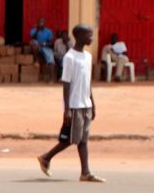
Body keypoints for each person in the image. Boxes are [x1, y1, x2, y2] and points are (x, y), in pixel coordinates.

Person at [37, 25, 104, 183]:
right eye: (89, 35)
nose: (92, 38)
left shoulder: (87, 56)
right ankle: (46, 157)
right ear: (79, 36)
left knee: (82, 140)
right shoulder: (70, 57)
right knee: (72, 139)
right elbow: (66, 83)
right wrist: (66, 109)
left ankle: (85, 173)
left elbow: (88, 82)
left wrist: (93, 103)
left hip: (85, 104)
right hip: (74, 105)